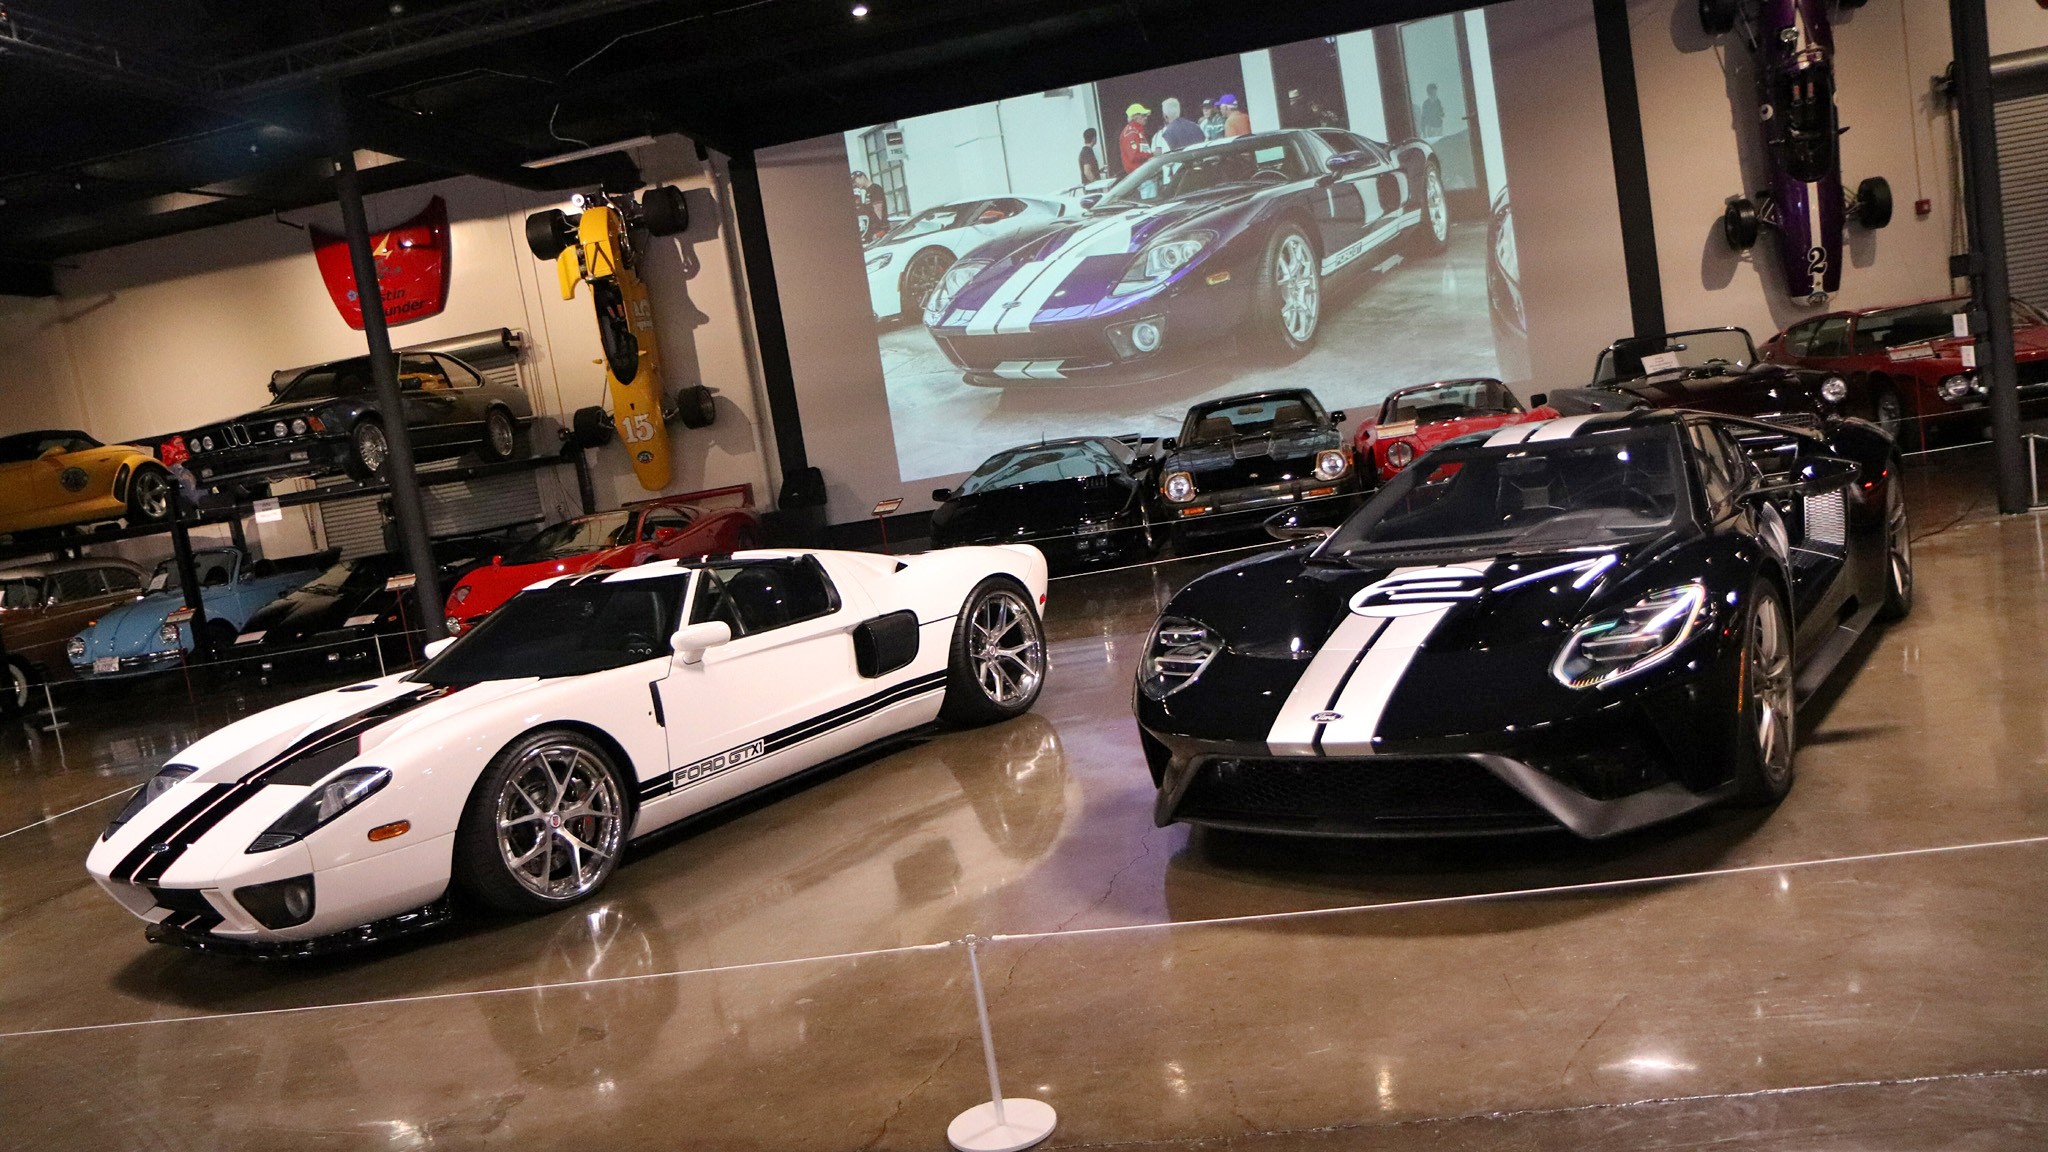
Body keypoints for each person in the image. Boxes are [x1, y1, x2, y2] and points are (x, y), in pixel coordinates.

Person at [852, 171, 889, 240]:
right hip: (871, 229)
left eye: (855, 180)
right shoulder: (865, 191)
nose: (855, 183)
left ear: (862, 177)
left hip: (878, 229)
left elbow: (878, 209)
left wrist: (881, 229)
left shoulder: (875, 188)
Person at [1119, 103, 1153, 174]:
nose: (1146, 118)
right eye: (1143, 115)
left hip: (1143, 173)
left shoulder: (1137, 131)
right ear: (1135, 117)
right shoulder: (1131, 133)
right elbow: (1134, 156)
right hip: (1139, 175)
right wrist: (1151, 155)